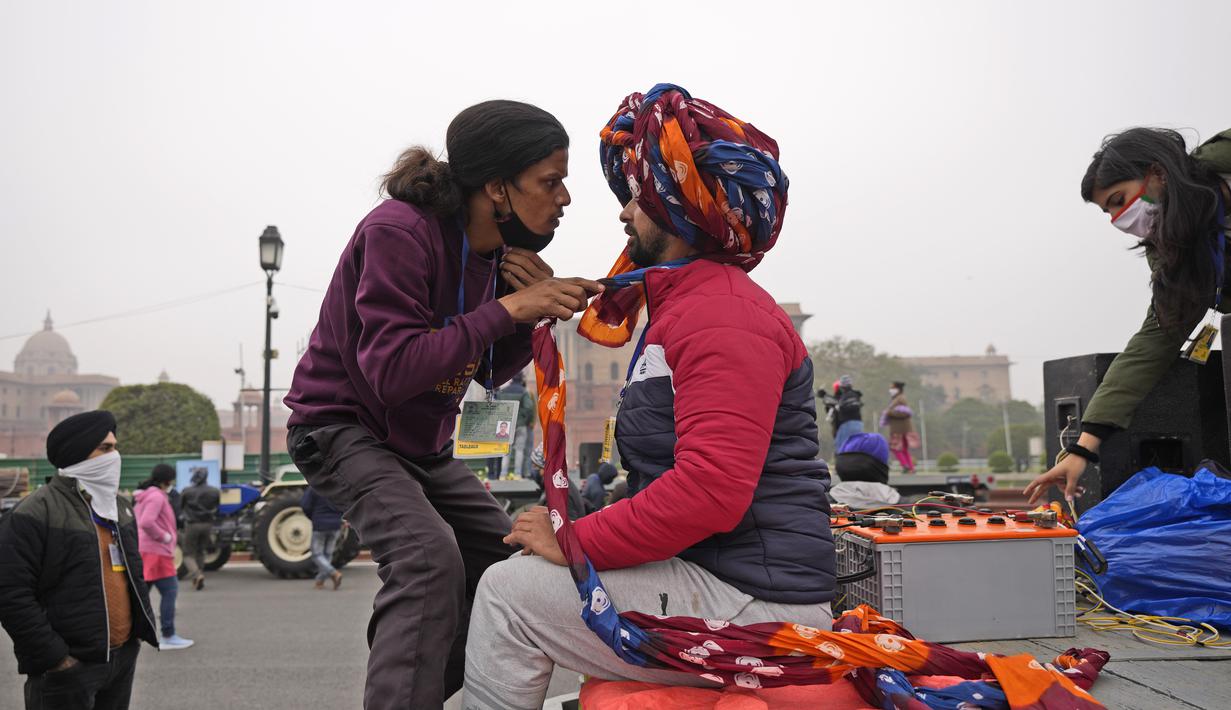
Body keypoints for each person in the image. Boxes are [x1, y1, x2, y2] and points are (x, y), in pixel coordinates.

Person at [464, 83, 834, 710]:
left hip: (757, 603)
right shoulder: (689, 307)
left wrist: (574, 538)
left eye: (636, 199)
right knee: (519, 579)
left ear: (679, 210)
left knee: (509, 594)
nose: (624, 214)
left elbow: (709, 490)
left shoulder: (723, 315)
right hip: (729, 579)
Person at [283, 99, 603, 709]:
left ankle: (414, 690)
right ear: (497, 188)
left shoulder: (492, 256)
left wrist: (527, 311)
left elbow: (487, 369)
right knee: (427, 559)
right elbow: (392, 372)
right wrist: (507, 309)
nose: (564, 198)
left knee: (507, 561)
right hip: (343, 428)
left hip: (421, 448)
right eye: (550, 181)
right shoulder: (398, 232)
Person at [1026, 127, 1231, 504]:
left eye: (1119, 200)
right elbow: (1151, 346)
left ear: (1158, 173)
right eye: (1110, 212)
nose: (1119, 219)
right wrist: (1082, 449)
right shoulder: (1177, 255)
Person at [0, 411, 158, 709]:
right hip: (67, 671)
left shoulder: (120, 508)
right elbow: (10, 593)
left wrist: (135, 638)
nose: (115, 457)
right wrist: (56, 659)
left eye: (115, 448)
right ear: (78, 451)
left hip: (121, 660)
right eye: (105, 448)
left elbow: (133, 574)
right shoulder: (34, 512)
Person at [133, 463, 193, 650]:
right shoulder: (157, 497)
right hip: (158, 551)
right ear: (168, 480)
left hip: (146, 550)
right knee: (170, 592)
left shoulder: (145, 495)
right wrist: (165, 537)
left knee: (141, 594)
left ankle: (134, 633)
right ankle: (168, 635)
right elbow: (147, 522)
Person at [179, 468, 218, 591]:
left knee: (188, 554)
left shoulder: (187, 491)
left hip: (192, 525)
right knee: (201, 551)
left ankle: (197, 575)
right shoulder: (214, 491)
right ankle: (199, 575)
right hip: (207, 525)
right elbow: (217, 507)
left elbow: (180, 506)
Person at [301, 485, 345, 590]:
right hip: (336, 525)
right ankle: (320, 581)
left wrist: (312, 517)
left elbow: (305, 505)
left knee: (316, 554)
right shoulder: (336, 487)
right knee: (327, 554)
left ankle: (334, 573)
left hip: (320, 525)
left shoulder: (314, 487)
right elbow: (344, 504)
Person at [496, 371, 536, 477]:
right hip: (520, 425)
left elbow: (498, 406)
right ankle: (517, 474)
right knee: (519, 450)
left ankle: (503, 474)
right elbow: (529, 407)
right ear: (521, 379)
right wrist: (523, 418)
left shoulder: (503, 391)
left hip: (506, 425)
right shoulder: (524, 392)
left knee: (506, 450)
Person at [821, 374, 864, 452]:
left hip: (847, 424)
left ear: (841, 387)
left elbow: (837, 404)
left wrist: (824, 396)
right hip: (858, 424)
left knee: (842, 448)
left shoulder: (846, 396)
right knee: (856, 447)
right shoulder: (855, 395)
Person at [882, 381, 917, 474]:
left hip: (899, 429)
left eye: (892, 388)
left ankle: (905, 466)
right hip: (902, 428)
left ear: (898, 389)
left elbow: (905, 413)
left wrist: (889, 413)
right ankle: (911, 468)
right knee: (903, 449)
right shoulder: (897, 399)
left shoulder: (900, 399)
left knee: (894, 448)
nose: (890, 390)